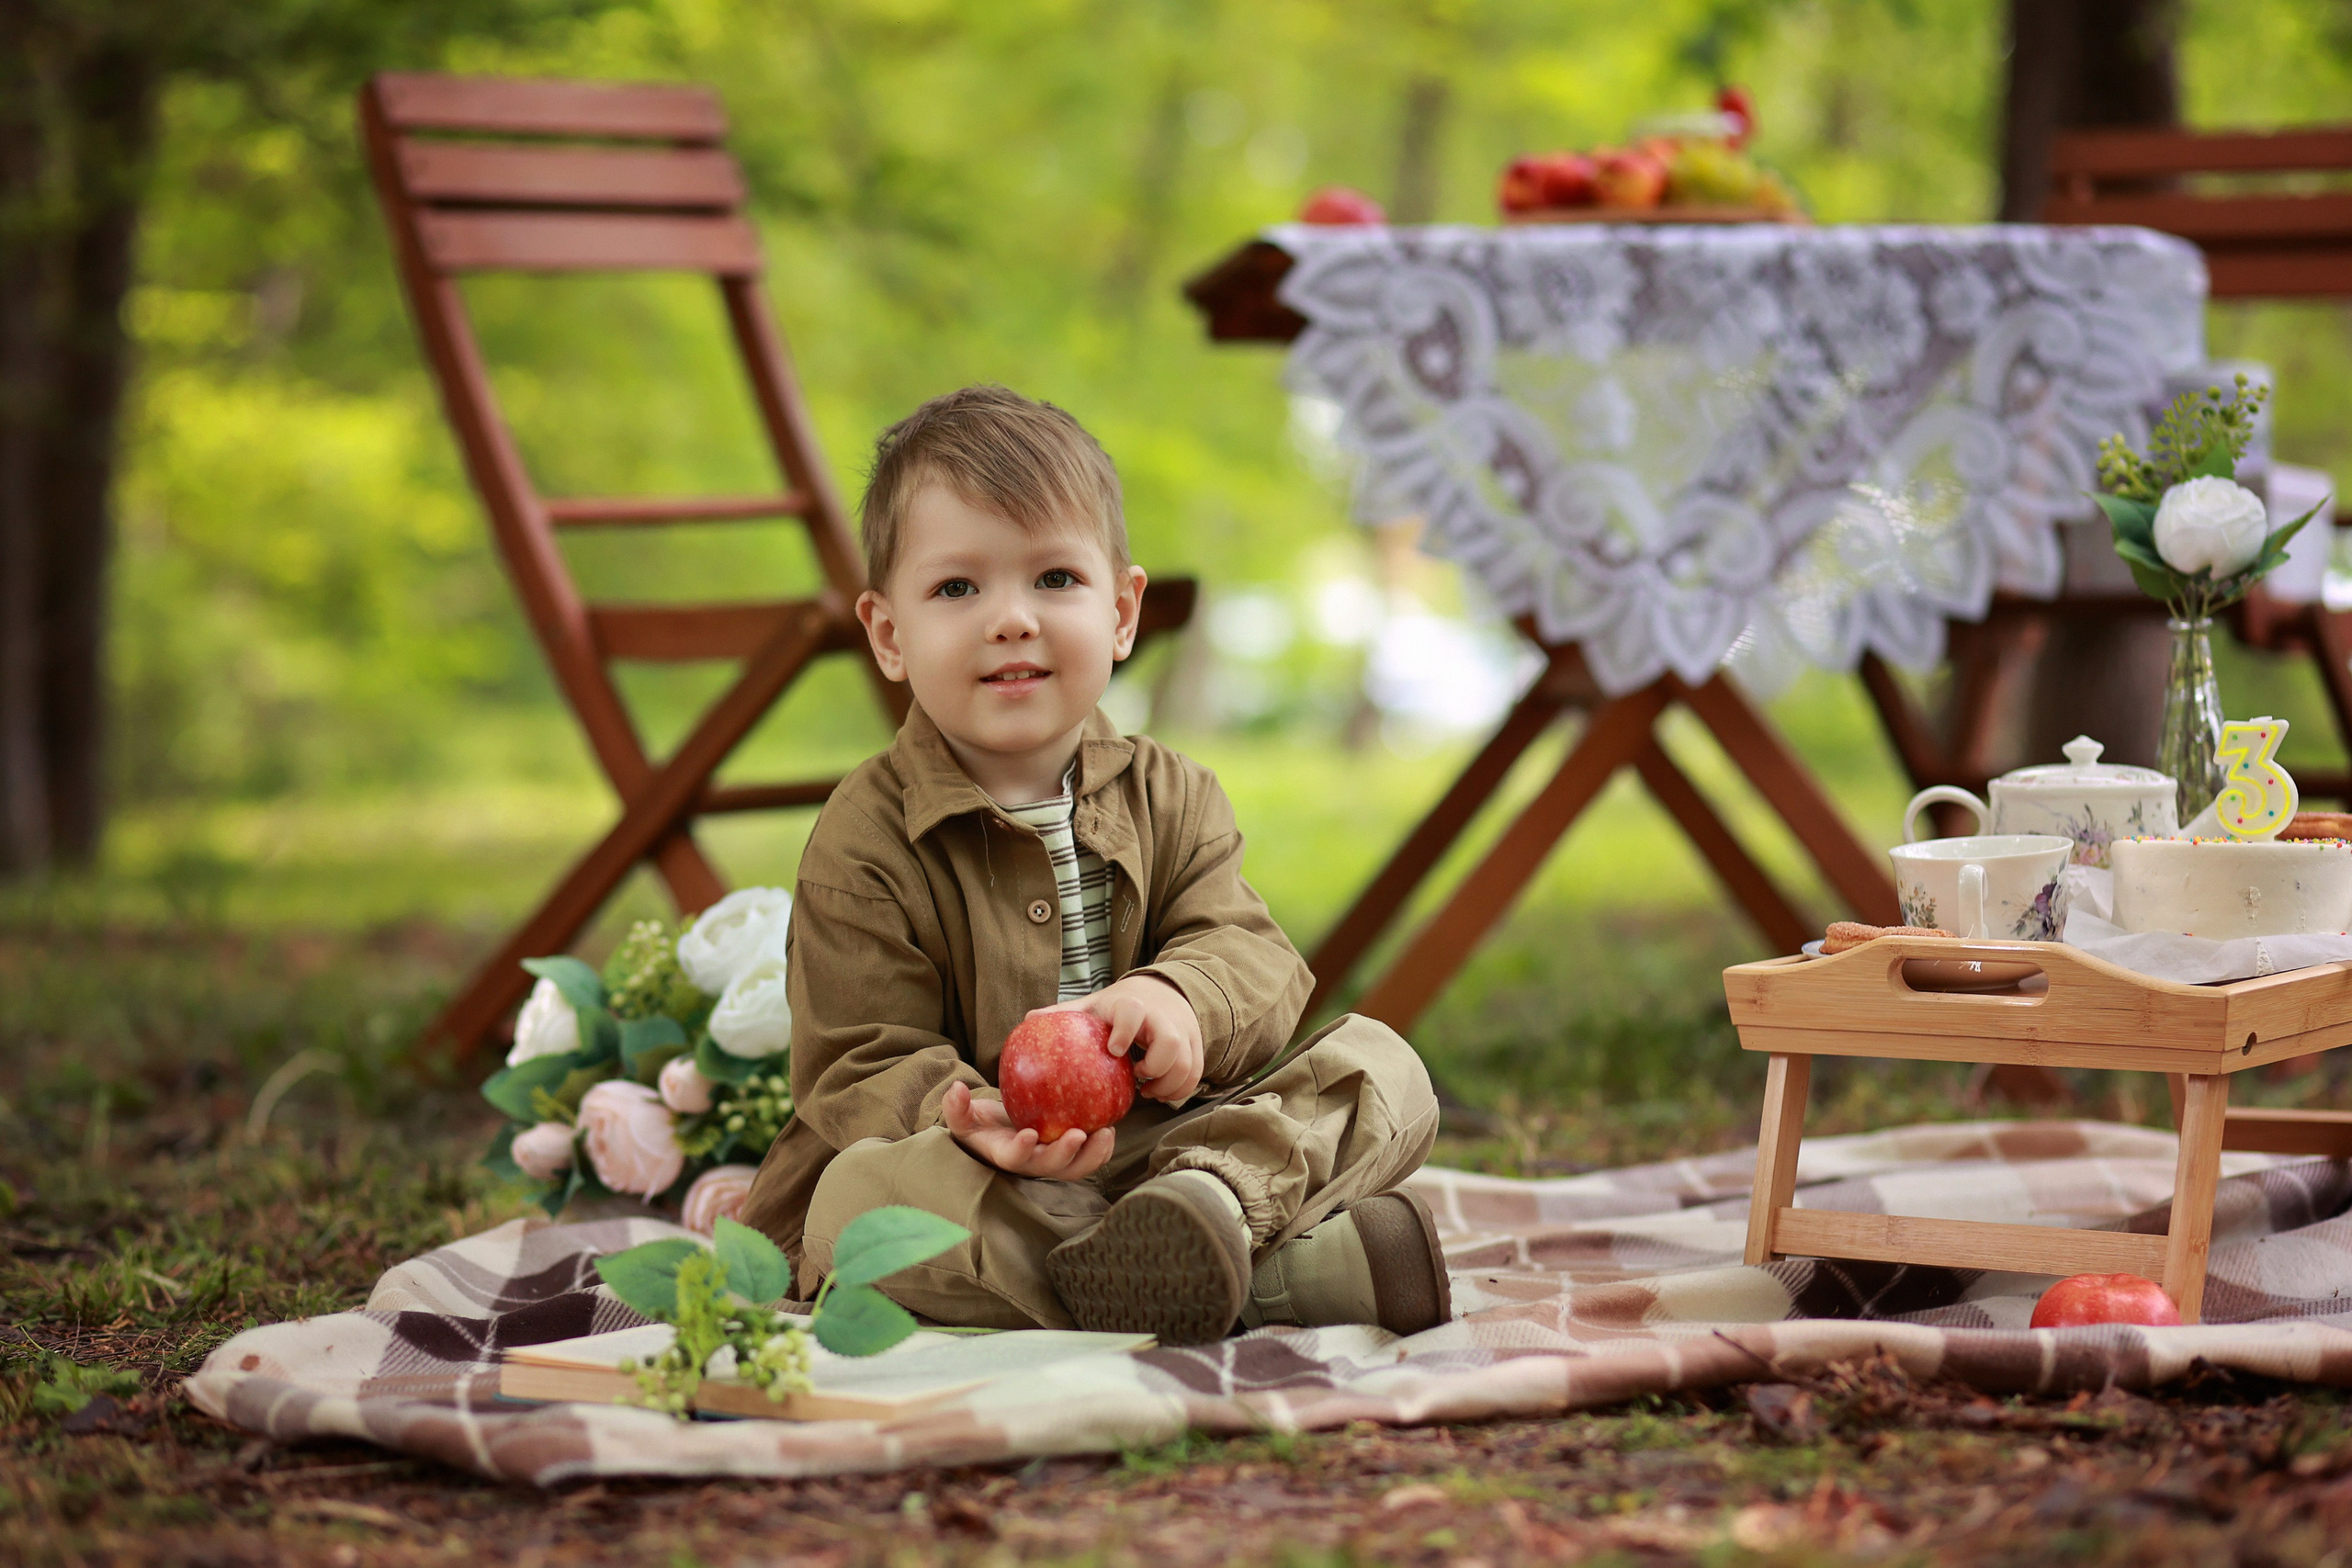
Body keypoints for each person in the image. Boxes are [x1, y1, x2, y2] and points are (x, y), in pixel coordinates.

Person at [739, 385, 1448, 1346]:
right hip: (976, 1172)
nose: (1011, 619)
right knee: (856, 1206)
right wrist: (971, 1116)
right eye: (957, 588)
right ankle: (1261, 1277)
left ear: (1122, 614)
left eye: (1054, 581)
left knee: (1384, 1067)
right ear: (888, 634)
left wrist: (1184, 1000)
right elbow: (858, 1056)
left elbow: (1248, 950)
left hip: (1170, 1152)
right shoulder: (865, 835)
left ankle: (1208, 1217)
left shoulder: (1175, 793)